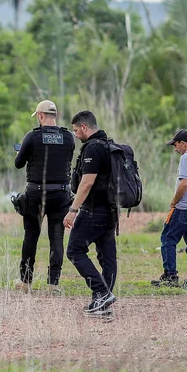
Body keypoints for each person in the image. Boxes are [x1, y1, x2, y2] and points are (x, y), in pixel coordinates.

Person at [14, 100, 76, 292]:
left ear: (40, 116)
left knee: (31, 236)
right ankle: (53, 283)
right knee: (56, 238)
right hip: (61, 194)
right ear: (54, 116)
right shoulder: (68, 137)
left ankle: (25, 281)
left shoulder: (32, 136)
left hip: (36, 193)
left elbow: (18, 163)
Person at [62, 110, 118, 317]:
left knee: (74, 251)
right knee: (107, 257)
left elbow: (86, 183)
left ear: (84, 127)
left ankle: (102, 292)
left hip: (94, 210)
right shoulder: (108, 145)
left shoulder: (93, 148)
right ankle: (103, 302)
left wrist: (73, 210)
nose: (75, 134)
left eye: (76, 130)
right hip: (111, 210)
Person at [152, 129, 187, 289]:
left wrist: (174, 202)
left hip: (183, 208)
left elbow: (184, 183)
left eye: (176, 145)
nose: (175, 149)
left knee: (168, 240)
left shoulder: (186, 158)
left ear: (183, 144)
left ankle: (170, 276)